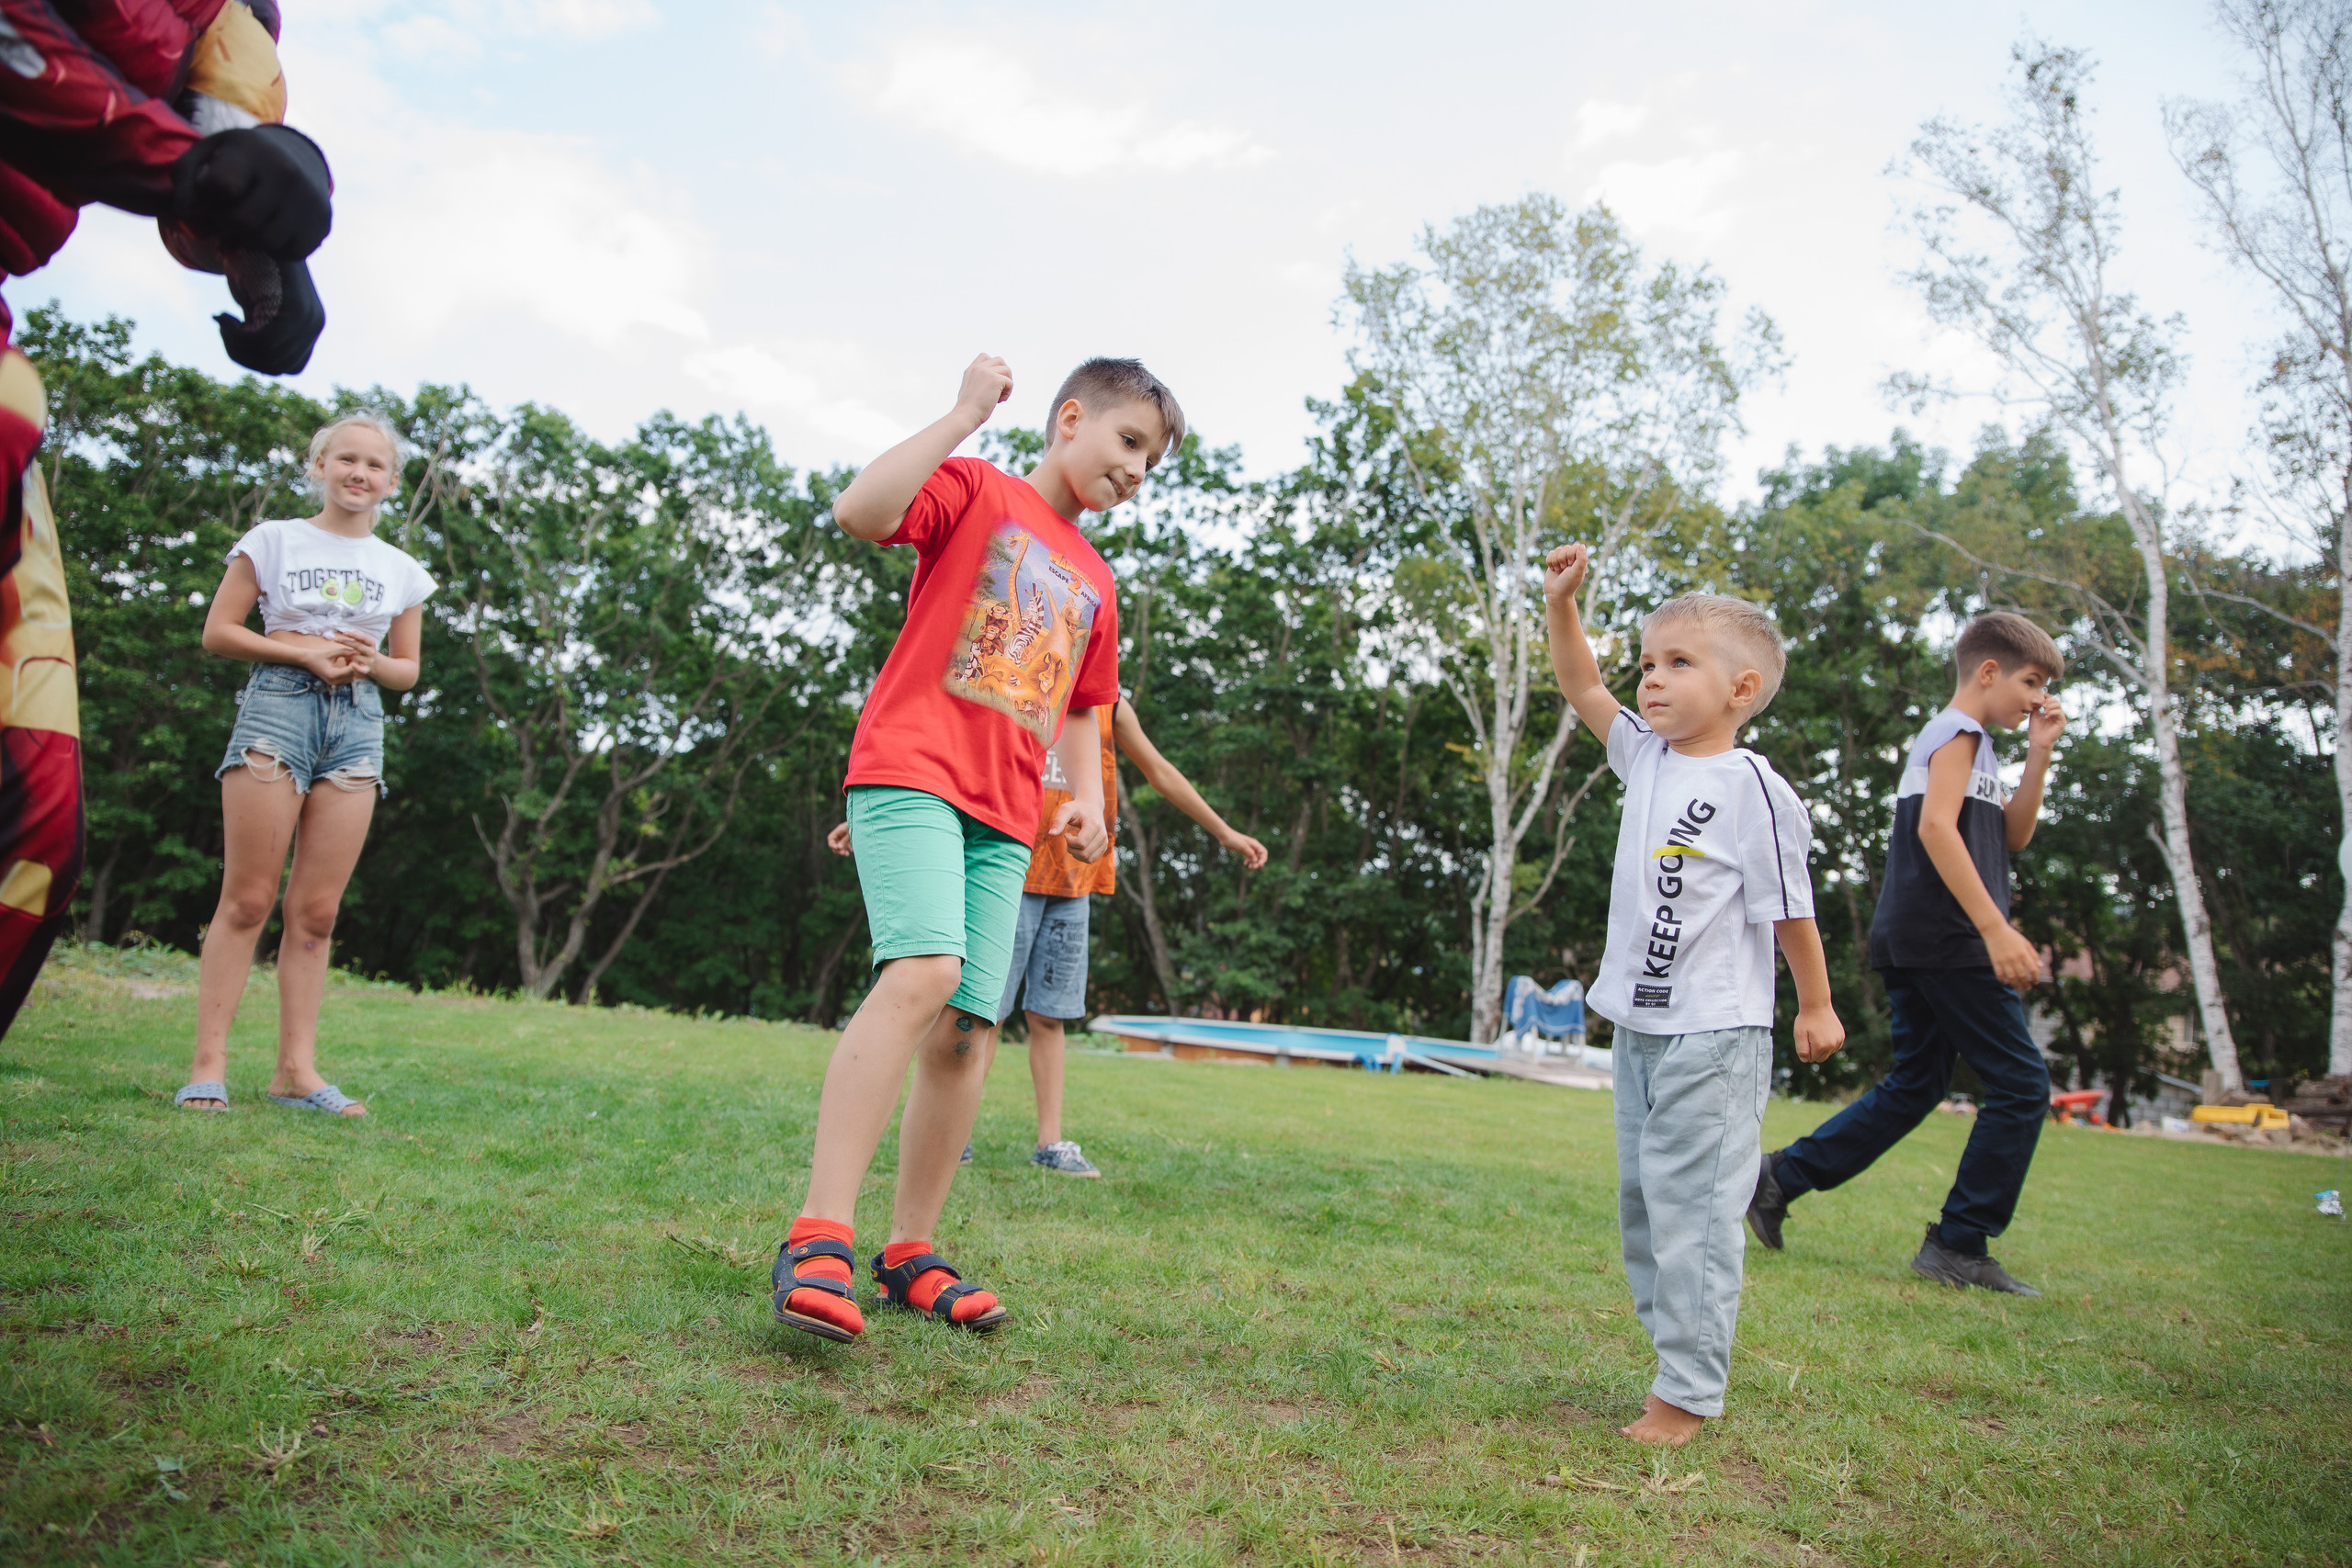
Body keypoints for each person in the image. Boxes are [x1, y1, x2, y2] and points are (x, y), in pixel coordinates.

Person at [773, 355, 1182, 1346]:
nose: (1135, 471)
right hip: (910, 770)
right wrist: (961, 415)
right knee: (925, 969)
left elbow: (1084, 703)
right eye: (1128, 442)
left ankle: (909, 1251)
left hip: (1007, 817)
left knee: (966, 1028)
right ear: (1070, 418)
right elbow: (862, 512)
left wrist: (1085, 801)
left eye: (1151, 462)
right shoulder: (977, 490)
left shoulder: (1096, 579)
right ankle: (816, 1233)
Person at [0, 0, 335, 1042]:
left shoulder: (240, 20)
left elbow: (218, 163)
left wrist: (270, 259)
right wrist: (173, 162)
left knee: (31, 822)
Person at [1544, 543, 1845, 1448]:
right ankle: (1672, 1362)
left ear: (1741, 689)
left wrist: (1816, 1005)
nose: (1652, 681)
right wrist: (1563, 606)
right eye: (1646, 663)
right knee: (1646, 1209)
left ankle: (1686, 1392)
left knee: (1697, 1217)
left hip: (1716, 1036)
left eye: (1679, 663)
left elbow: (1789, 910)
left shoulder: (1753, 787)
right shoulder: (1648, 761)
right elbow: (1579, 687)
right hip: (1640, 1031)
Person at [1746, 611, 2065, 1296]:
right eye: (2031, 682)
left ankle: (1780, 1177)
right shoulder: (1957, 732)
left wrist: (2038, 752)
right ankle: (1958, 1241)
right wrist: (1995, 930)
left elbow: (2011, 836)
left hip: (1921, 937)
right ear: (1988, 671)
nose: (2038, 698)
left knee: (1918, 1082)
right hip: (1947, 939)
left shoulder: (1978, 744)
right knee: (2021, 1083)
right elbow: (1936, 831)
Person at [827, 696, 1268, 1178]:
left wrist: (1225, 834)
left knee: (1051, 1016)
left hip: (1072, 882)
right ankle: (954, 1132)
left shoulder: (1110, 705)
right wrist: (873, 819)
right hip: (1006, 871)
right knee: (979, 1011)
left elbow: (1160, 770)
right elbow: (961, 759)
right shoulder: (1017, 672)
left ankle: (1051, 1142)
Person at [176, 413, 435, 1115]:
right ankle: (208, 1065)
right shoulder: (273, 540)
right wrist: (302, 652)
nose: (359, 473)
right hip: (278, 708)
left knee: (316, 912)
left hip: (357, 723)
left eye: (374, 465)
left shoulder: (402, 569)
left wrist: (367, 661)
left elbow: (405, 670)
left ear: (391, 482)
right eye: (345, 459)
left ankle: (296, 1072)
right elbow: (219, 632)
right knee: (249, 898)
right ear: (317, 465)